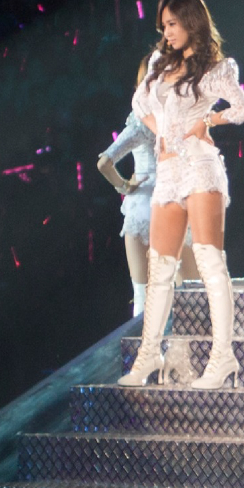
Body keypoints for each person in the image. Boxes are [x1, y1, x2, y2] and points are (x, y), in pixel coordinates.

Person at [117, 0, 244, 389]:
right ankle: (148, 355)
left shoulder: (215, 68)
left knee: (210, 262)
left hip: (200, 165)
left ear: (191, 21)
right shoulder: (159, 63)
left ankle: (222, 357)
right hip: (169, 170)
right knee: (160, 268)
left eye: (173, 24)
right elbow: (139, 102)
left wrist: (207, 122)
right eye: (163, 25)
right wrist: (164, 132)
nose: (166, 32)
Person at [96, 55, 159, 317]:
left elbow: (104, 162)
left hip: (144, 205)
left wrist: (123, 186)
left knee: (143, 298)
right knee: (182, 293)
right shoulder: (177, 118)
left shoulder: (141, 122)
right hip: (176, 203)